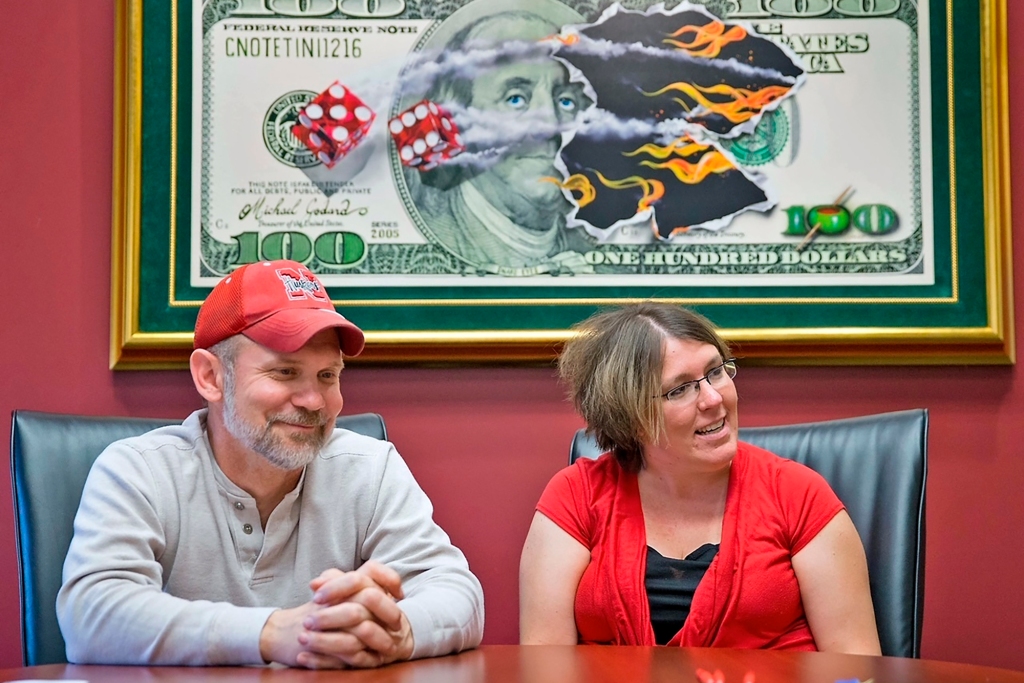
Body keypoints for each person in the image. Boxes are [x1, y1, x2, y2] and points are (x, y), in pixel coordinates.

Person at [57, 259, 484, 668]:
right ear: (210, 377)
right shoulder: (138, 471)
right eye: (284, 373)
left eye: (327, 376)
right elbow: (91, 614)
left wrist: (397, 632)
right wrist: (272, 633)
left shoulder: (369, 468)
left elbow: (457, 593)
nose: (314, 401)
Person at [519, 302, 880, 652]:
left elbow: (854, 663)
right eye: (680, 389)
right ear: (630, 418)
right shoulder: (575, 495)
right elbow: (544, 666)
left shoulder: (798, 494)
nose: (712, 398)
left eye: (715, 372)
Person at [406, 7, 595, 273]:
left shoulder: (591, 243)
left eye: (565, 100)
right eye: (516, 98)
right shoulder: (439, 228)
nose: (550, 124)